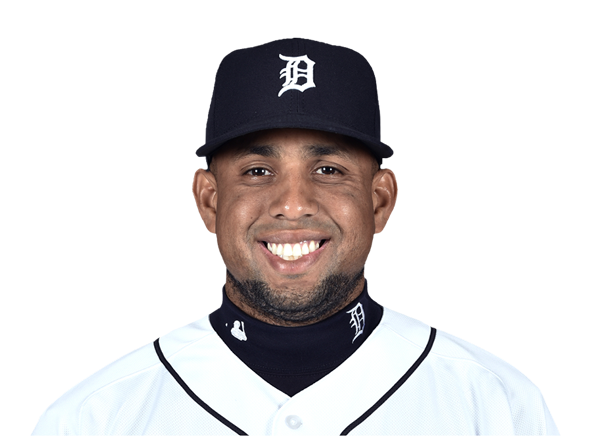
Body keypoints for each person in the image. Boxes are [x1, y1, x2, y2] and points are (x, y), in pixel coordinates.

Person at [32, 38, 560, 435]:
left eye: (328, 170)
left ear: (379, 200)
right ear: (209, 200)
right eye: (257, 171)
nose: (292, 204)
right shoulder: (94, 418)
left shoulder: (496, 407)